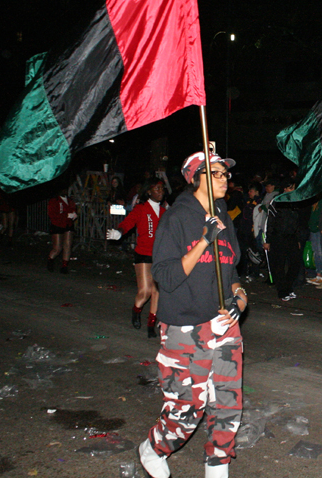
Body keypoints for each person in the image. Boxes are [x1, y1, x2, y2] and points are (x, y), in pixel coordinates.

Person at [138, 152, 247, 478]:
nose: (224, 179)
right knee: (187, 408)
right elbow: (165, 276)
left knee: (228, 403)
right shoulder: (177, 218)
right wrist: (203, 241)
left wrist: (240, 299)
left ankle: (218, 465)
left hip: (224, 326)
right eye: (216, 173)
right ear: (196, 178)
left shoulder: (223, 216)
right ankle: (154, 447)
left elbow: (232, 271)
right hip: (186, 327)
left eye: (226, 173)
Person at [107, 178, 168, 338]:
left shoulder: (164, 212)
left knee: (157, 291)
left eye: (162, 189)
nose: (160, 191)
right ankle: (136, 311)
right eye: (157, 189)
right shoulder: (141, 208)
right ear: (149, 191)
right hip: (143, 254)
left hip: (159, 256)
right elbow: (128, 222)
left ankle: (151, 324)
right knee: (145, 291)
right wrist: (119, 232)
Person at [263, 180, 302, 301]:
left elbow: (297, 222)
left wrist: (298, 238)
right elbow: (270, 221)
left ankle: (288, 287)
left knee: (295, 263)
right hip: (278, 236)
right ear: (285, 188)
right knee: (279, 265)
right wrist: (267, 240)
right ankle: (282, 291)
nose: (293, 190)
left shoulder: (295, 202)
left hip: (291, 237)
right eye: (291, 188)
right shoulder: (277, 201)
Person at [47, 188, 78, 274]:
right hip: (57, 225)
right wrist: (66, 215)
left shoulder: (69, 200)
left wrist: (74, 214)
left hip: (68, 224)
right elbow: (53, 214)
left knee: (68, 245)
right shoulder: (54, 200)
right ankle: (50, 260)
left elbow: (73, 208)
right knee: (57, 248)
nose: (64, 191)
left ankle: (64, 265)